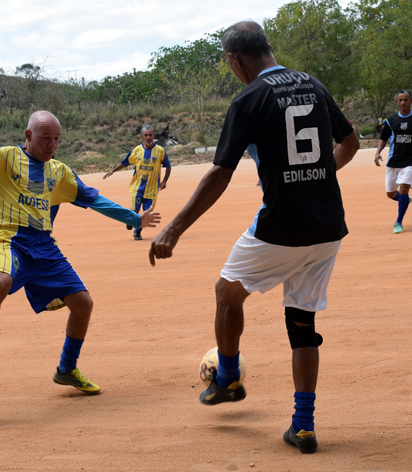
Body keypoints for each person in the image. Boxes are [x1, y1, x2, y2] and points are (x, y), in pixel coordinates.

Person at [148, 21, 360, 454]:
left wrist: (173, 229)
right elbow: (352, 142)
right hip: (328, 228)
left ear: (235, 59)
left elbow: (220, 173)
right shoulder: (312, 84)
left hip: (283, 226)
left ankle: (226, 379)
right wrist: (315, 179)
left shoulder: (249, 98)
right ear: (268, 48)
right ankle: (303, 426)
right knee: (302, 324)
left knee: (227, 292)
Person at [0, 110, 161, 394]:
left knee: (83, 303)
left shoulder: (59, 172)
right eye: (45, 138)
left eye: (56, 139)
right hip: (9, 238)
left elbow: (93, 198)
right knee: (1, 281)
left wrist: (134, 219)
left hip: (44, 245)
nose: (52, 145)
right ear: (28, 136)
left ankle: (67, 369)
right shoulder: (4, 159)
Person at [374, 90, 412, 234]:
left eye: (406, 100)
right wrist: (377, 152)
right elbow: (383, 138)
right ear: (397, 102)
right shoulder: (391, 121)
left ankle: (398, 221)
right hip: (393, 160)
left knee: (404, 188)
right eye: (400, 100)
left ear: (411, 101)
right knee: (390, 193)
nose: (403, 103)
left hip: (411, 160)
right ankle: (404, 200)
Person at [103, 125, 171, 240]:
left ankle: (137, 232)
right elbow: (125, 162)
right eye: (146, 135)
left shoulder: (160, 151)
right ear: (142, 136)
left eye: (150, 135)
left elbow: (168, 166)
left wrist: (164, 181)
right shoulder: (137, 150)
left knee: (147, 213)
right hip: (137, 187)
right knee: (135, 210)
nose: (148, 137)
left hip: (152, 189)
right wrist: (113, 171)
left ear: (154, 136)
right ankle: (131, 219)